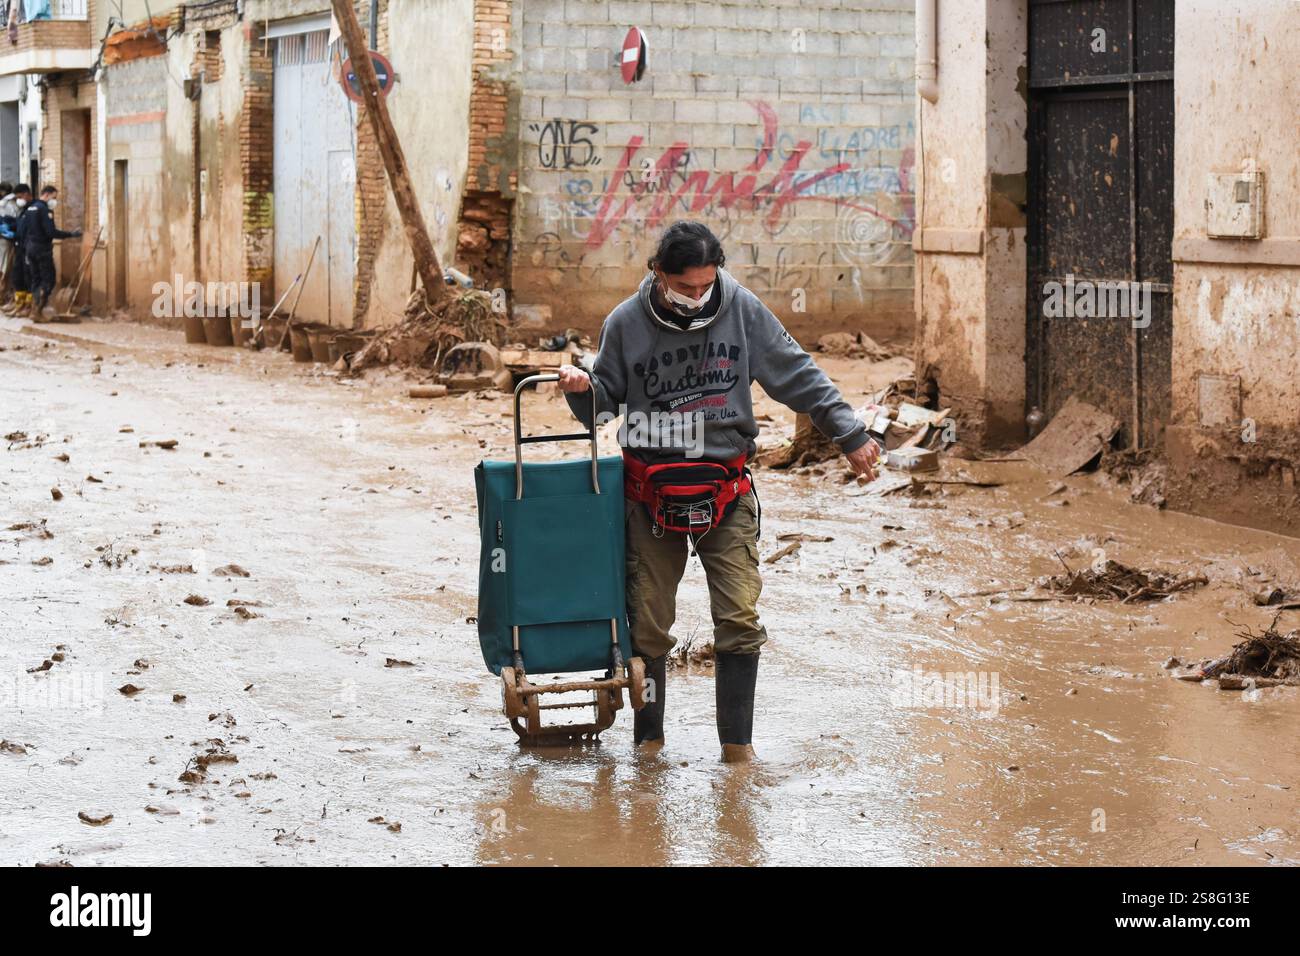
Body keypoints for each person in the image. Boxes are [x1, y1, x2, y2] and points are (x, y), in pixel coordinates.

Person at [557, 220, 878, 762]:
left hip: (725, 488)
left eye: (708, 285)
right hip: (648, 494)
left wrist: (848, 432)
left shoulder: (741, 309)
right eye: (686, 287)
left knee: (739, 619)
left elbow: (796, 373)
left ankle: (737, 755)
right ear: (658, 273)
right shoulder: (624, 323)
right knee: (649, 624)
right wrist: (582, 388)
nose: (699, 297)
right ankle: (648, 748)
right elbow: (603, 407)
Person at [22, 184, 81, 315]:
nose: (54, 201)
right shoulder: (44, 210)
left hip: (30, 248)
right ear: (47, 195)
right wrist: (71, 234)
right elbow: (51, 232)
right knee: (48, 280)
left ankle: (33, 310)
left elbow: (24, 231)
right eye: (54, 197)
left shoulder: (30, 208)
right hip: (42, 249)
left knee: (35, 279)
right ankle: (38, 310)